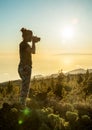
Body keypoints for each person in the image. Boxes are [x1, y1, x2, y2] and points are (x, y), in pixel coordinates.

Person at [18, 28, 40, 106]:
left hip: (22, 67)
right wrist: (34, 42)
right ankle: (22, 105)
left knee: (24, 86)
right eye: (30, 36)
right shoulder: (24, 44)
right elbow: (33, 51)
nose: (31, 37)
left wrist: (34, 41)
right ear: (26, 36)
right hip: (25, 67)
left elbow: (32, 51)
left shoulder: (23, 44)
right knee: (25, 88)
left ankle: (21, 104)